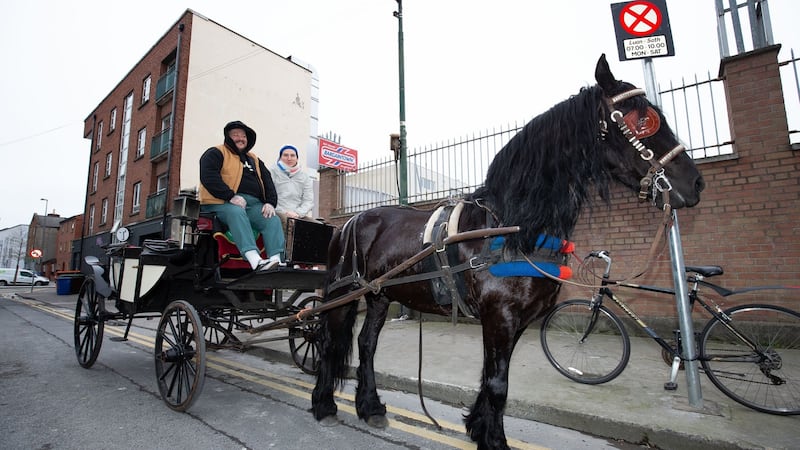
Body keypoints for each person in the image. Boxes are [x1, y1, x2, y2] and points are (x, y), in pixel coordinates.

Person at [199, 120, 285, 271]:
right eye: (235, 135)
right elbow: (208, 176)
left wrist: (270, 203)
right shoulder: (216, 152)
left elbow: (268, 182)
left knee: (272, 218)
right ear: (228, 137)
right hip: (220, 201)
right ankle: (254, 259)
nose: (240, 138)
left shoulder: (255, 160)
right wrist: (230, 196)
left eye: (243, 136)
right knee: (236, 211)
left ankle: (275, 261)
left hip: (253, 204)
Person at [268, 145, 315, 230]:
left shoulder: (304, 177)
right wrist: (284, 212)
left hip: (297, 214)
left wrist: (297, 213)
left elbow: (308, 200)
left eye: (292, 155)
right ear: (280, 158)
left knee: (317, 226)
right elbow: (268, 195)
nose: (289, 158)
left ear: (297, 158)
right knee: (288, 223)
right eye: (285, 155)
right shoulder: (272, 172)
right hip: (277, 211)